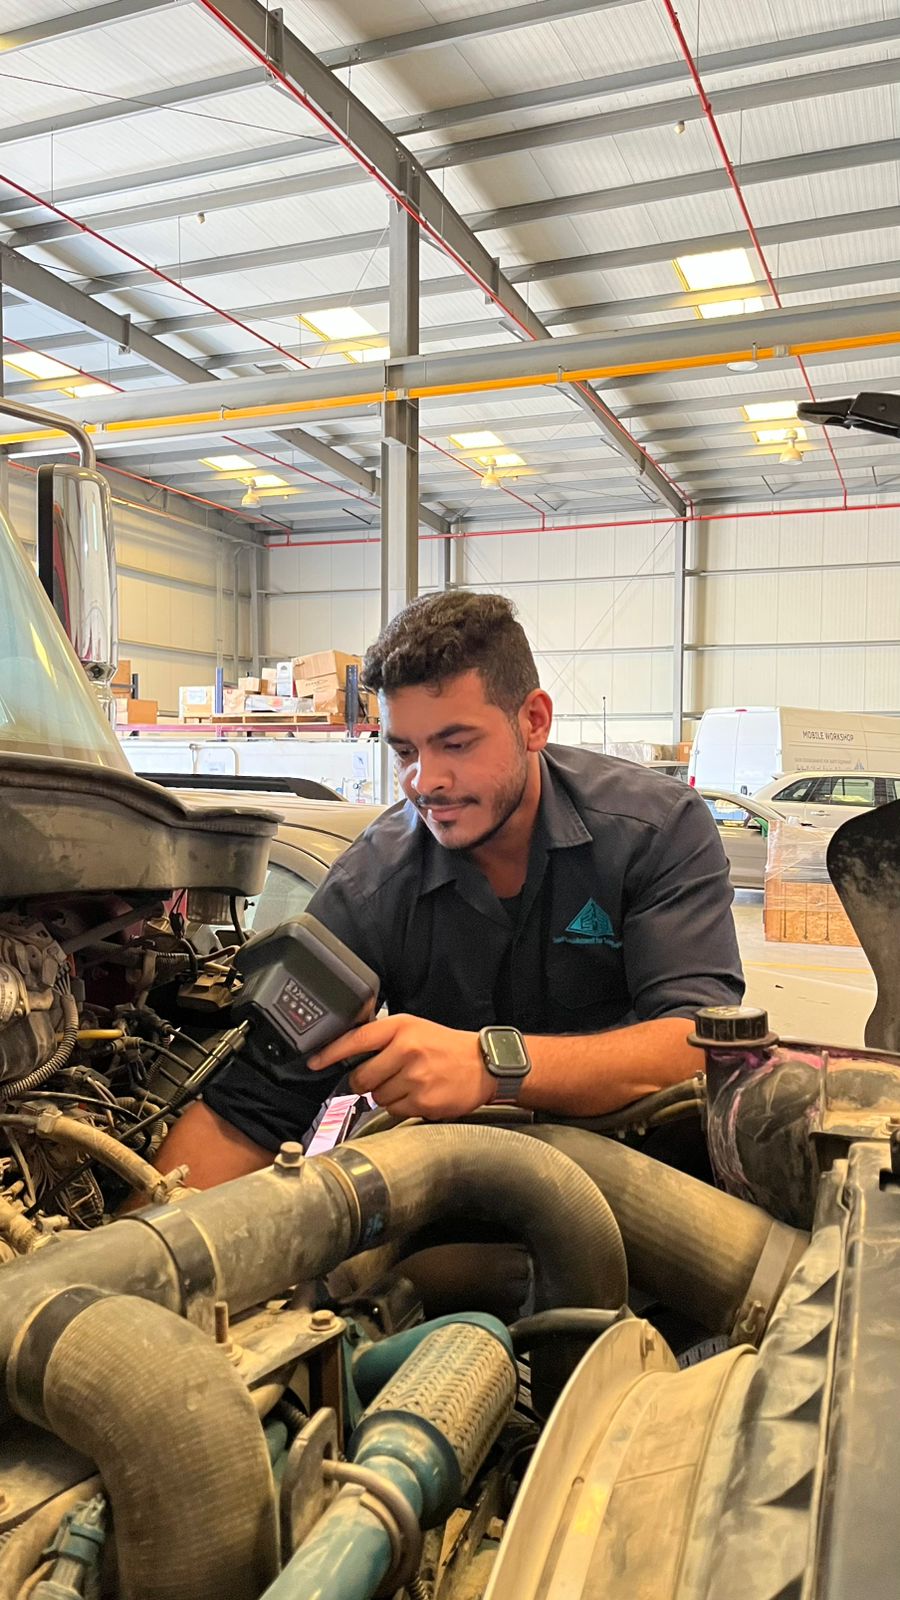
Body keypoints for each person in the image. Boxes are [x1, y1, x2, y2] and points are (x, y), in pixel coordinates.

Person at [154, 591, 743, 1189]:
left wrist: (493, 1065)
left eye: (456, 744)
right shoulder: (372, 883)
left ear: (533, 722)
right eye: (405, 751)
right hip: (464, 1193)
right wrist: (145, 1231)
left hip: (651, 1184)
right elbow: (254, 1106)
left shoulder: (655, 830)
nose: (425, 781)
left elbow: (704, 1042)